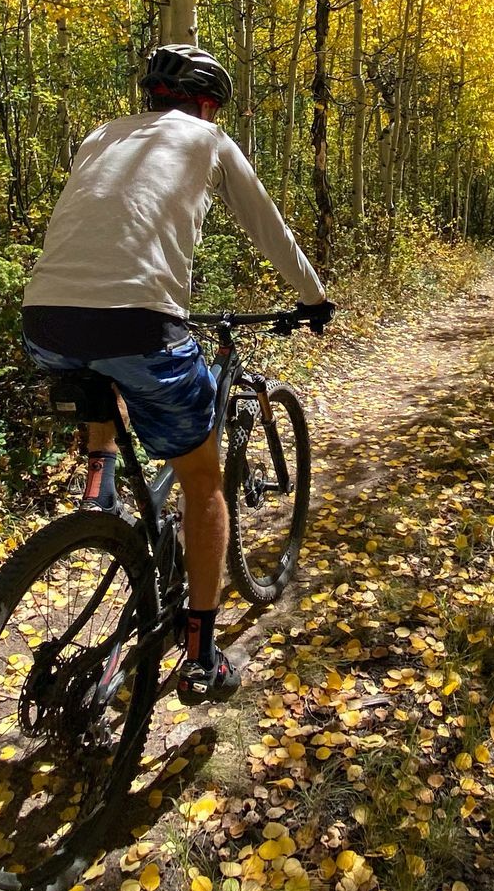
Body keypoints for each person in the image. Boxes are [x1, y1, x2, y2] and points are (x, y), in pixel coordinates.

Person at [20, 44, 333, 702]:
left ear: (153, 96)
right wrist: (312, 295)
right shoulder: (207, 139)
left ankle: (99, 483)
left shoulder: (101, 135)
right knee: (202, 480)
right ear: (207, 102)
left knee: (102, 371)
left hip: (44, 319)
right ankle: (201, 650)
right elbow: (267, 227)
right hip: (140, 324)